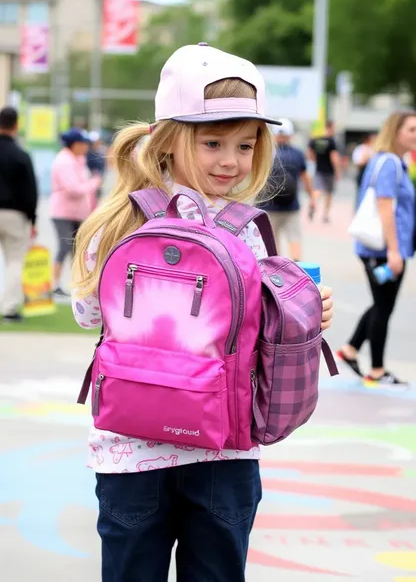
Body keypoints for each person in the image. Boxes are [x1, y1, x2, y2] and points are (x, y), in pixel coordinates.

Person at [71, 43, 334, 582]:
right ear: (168, 140)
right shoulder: (245, 230)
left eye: (244, 144)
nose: (231, 160)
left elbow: (86, 313)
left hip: (130, 450)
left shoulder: (120, 219)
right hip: (225, 450)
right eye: (213, 142)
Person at [338, 111, 416, 385]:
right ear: (395, 132)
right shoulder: (390, 163)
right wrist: (395, 251)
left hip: (385, 248)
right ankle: (378, 370)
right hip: (383, 249)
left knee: (382, 304)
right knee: (384, 308)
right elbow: (384, 206)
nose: (415, 135)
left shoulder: (389, 161)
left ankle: (350, 349)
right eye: (411, 129)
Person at [49, 128, 101, 298]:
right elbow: (74, 189)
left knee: (78, 249)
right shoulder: (64, 161)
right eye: (83, 143)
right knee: (64, 247)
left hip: (77, 213)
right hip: (63, 212)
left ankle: (76, 284)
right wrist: (94, 183)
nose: (86, 146)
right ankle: (55, 284)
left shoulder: (77, 159)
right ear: (75, 144)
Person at [0, 106, 38, 322]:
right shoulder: (21, 155)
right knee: (14, 261)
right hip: (15, 215)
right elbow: (30, 190)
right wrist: (33, 219)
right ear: (16, 125)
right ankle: (10, 309)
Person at [262, 118, 315, 261]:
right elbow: (306, 179)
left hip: (269, 207)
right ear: (290, 135)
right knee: (294, 239)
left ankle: (277, 271)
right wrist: (312, 198)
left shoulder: (265, 154)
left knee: (273, 243)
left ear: (273, 135)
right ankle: (296, 268)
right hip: (292, 206)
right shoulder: (298, 154)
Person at [308, 120, 342, 223]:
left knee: (317, 190)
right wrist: (338, 172)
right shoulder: (331, 142)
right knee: (329, 193)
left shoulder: (316, 140)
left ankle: (313, 203)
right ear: (330, 127)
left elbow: (310, 154)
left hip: (319, 169)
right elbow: (334, 158)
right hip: (329, 171)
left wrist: (315, 160)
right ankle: (325, 215)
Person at [86, 131, 106, 209]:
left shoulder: (100, 153)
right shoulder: (86, 154)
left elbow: (103, 168)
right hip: (89, 181)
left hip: (97, 181)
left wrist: (100, 178)